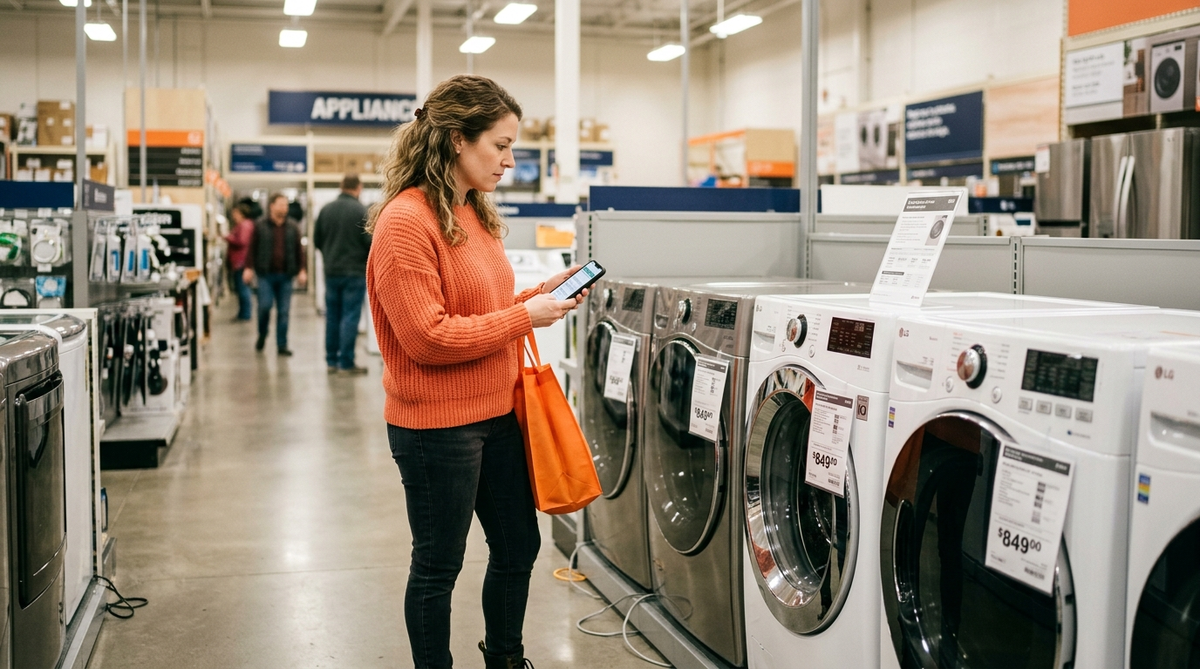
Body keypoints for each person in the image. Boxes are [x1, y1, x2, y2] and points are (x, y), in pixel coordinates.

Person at [366, 75, 585, 669]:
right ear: (458, 140)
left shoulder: (473, 214)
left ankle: (505, 658)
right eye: (501, 145)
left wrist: (549, 294)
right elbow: (427, 338)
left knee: (519, 545)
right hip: (437, 428)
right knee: (438, 565)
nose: (511, 161)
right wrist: (526, 318)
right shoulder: (406, 222)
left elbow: (489, 310)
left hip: (498, 413)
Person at [314, 174, 372, 375]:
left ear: (341, 186)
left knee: (332, 316)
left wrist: (331, 257)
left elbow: (317, 240)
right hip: (354, 273)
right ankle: (346, 363)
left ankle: (331, 360)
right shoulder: (361, 211)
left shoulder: (326, 210)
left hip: (331, 271)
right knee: (350, 316)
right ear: (358, 188)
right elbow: (369, 244)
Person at [244, 193, 307, 356]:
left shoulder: (293, 226)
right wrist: (248, 268)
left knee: (284, 311)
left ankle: (282, 344)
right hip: (266, 275)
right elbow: (251, 248)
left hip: (286, 276)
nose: (284, 208)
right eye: (281, 205)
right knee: (264, 307)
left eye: (286, 205)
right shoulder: (260, 225)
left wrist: (302, 270)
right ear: (272, 206)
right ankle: (262, 334)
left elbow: (299, 251)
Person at [224, 201, 256, 321]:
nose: (233, 216)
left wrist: (228, 237)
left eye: (235, 213)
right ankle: (243, 312)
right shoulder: (244, 225)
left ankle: (245, 313)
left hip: (241, 261)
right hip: (240, 260)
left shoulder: (244, 225)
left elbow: (242, 241)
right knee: (241, 288)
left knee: (243, 288)